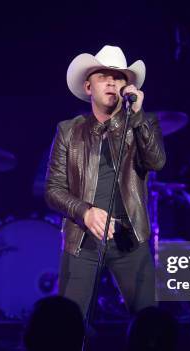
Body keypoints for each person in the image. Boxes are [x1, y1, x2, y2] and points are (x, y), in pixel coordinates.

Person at [44, 45, 165, 316]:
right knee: (68, 325)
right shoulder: (68, 131)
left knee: (148, 323)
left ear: (127, 87)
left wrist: (137, 119)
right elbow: (53, 190)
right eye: (103, 76)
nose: (111, 81)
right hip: (83, 240)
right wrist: (85, 213)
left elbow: (156, 162)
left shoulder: (143, 124)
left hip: (130, 239)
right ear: (88, 87)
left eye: (119, 77)